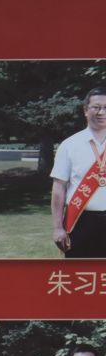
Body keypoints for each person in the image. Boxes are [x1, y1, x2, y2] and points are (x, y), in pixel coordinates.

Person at [51, 87, 106, 258]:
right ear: (85, 110)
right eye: (96, 107)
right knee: (80, 270)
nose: (101, 112)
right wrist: (57, 227)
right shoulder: (69, 145)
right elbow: (59, 188)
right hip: (81, 222)